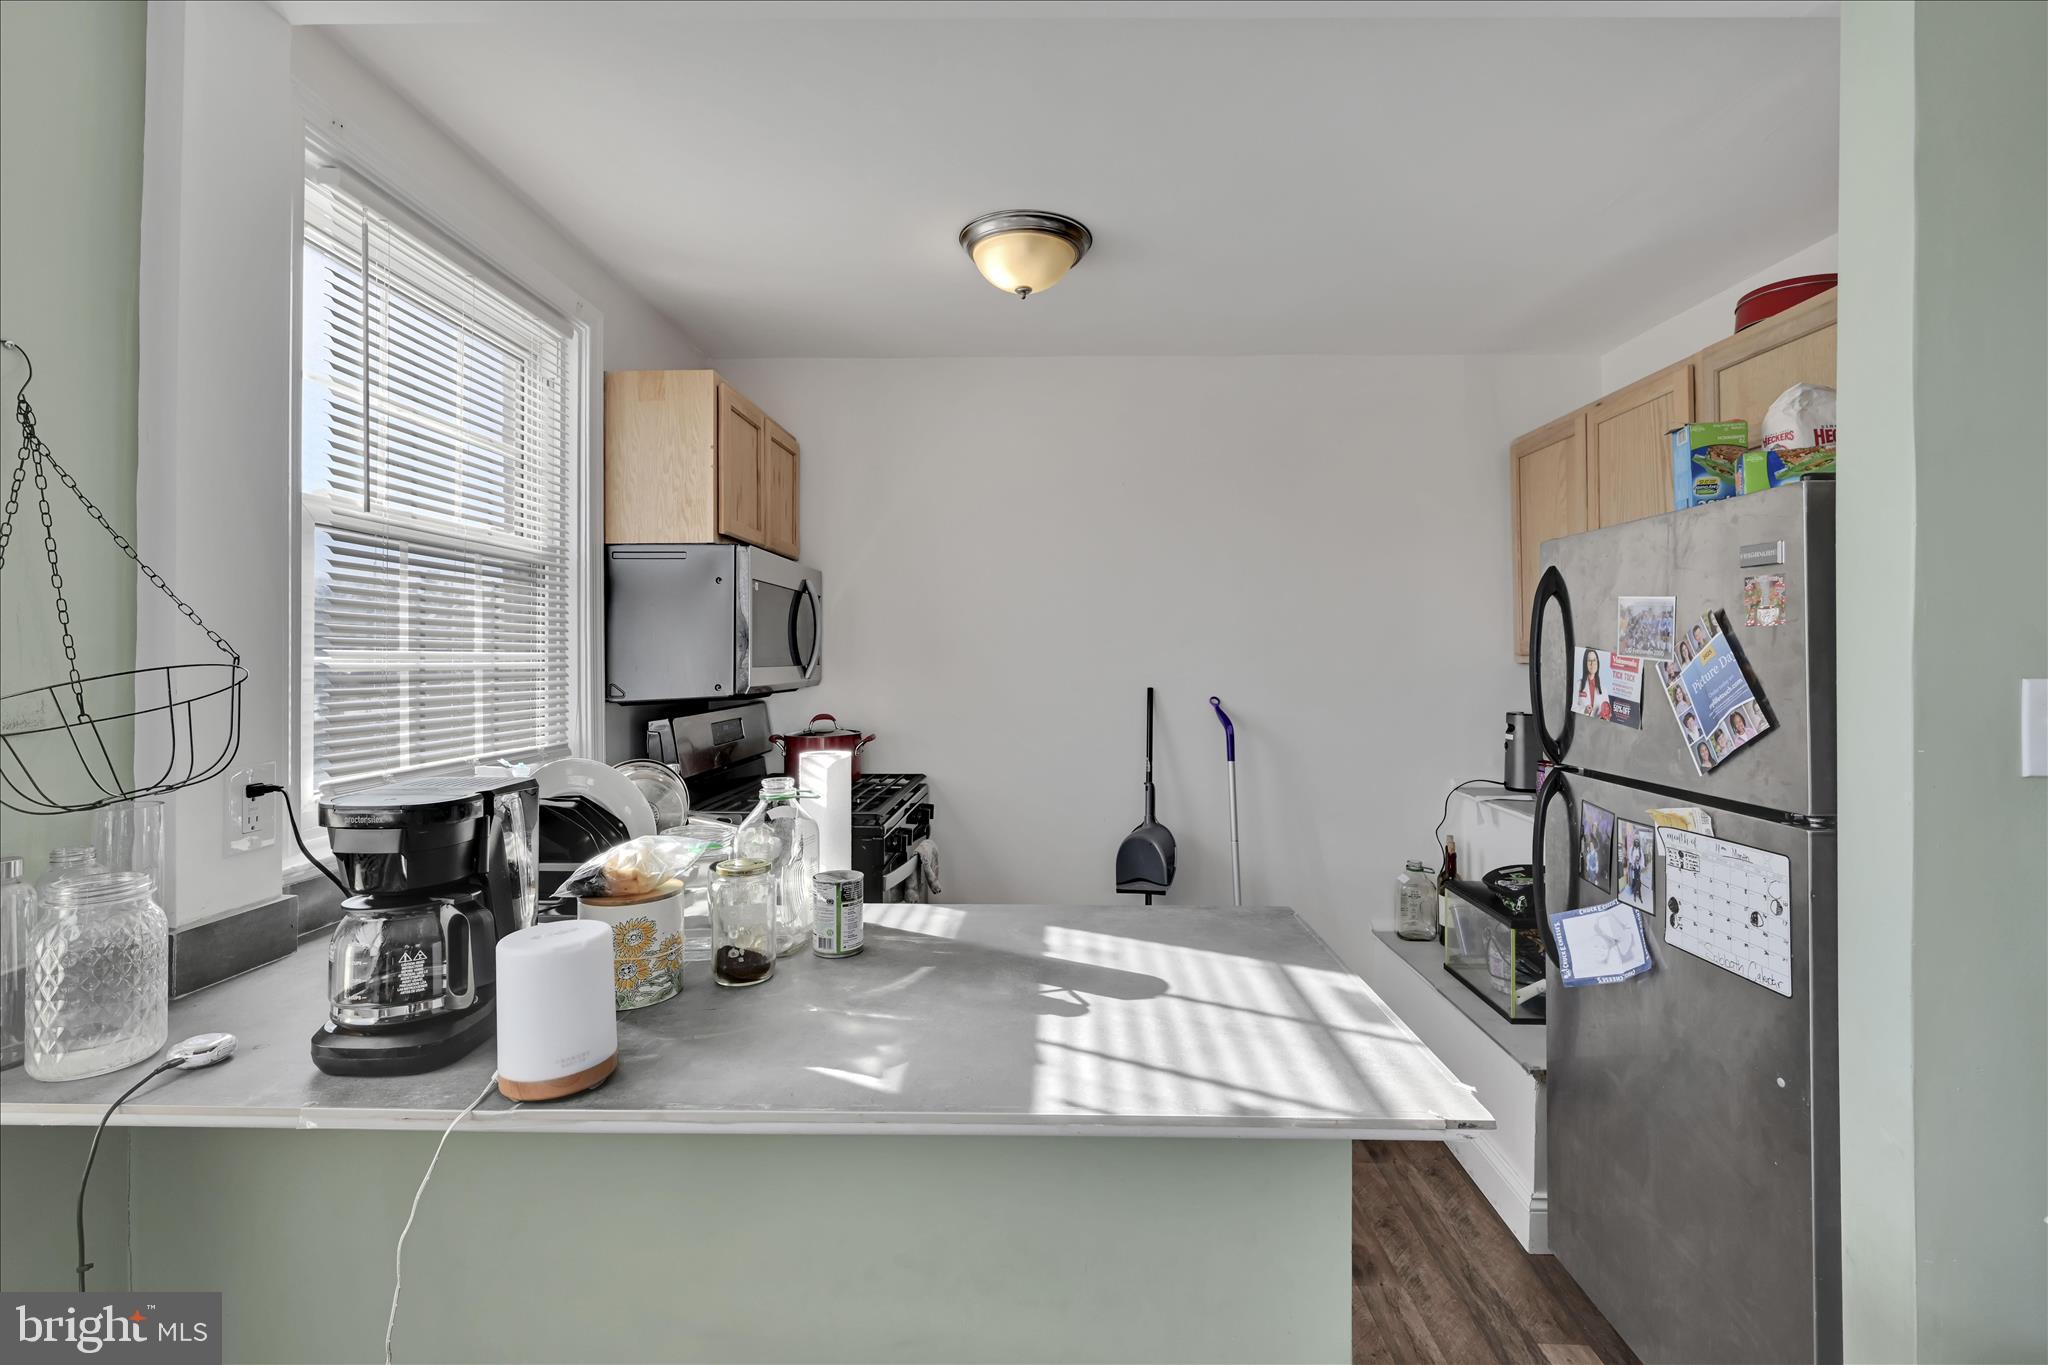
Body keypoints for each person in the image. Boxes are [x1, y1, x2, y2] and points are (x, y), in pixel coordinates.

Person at [1575, 650, 1606, 717]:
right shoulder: (1578, 685)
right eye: (1589, 660)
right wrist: (1584, 710)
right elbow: (1573, 707)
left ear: (1597, 662)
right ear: (1585, 663)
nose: (1592, 663)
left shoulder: (1603, 689)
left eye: (1594, 660)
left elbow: (1607, 712)